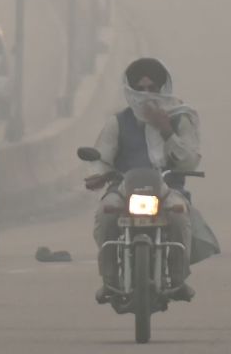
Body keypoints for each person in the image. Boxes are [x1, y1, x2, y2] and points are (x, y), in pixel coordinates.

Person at [86, 58, 201, 303]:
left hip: (168, 187)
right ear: (131, 90)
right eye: (141, 88)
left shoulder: (180, 119)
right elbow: (102, 156)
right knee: (106, 214)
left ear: (163, 89)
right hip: (125, 188)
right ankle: (110, 280)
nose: (146, 94)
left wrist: (166, 130)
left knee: (179, 216)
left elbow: (189, 161)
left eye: (152, 88)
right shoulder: (118, 122)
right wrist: (97, 174)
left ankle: (178, 280)